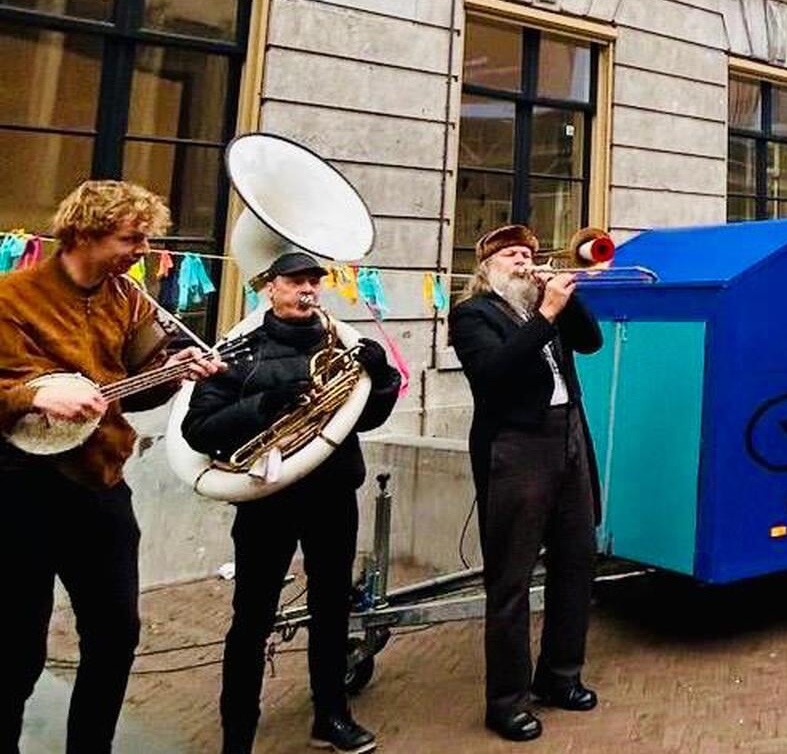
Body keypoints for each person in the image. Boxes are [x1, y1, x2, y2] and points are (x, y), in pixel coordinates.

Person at [0, 181, 222, 754]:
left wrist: (174, 369)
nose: (142, 249)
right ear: (84, 235)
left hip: (99, 485)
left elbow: (134, 392)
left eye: (146, 237)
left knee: (116, 634)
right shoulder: (12, 296)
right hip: (19, 489)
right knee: (15, 647)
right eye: (131, 237)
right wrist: (32, 398)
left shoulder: (129, 298)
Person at [183, 252, 402, 754]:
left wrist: (381, 377)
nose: (307, 290)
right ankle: (237, 730)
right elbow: (199, 430)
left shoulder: (340, 346)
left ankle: (332, 716)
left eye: (313, 281)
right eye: (295, 281)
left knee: (332, 609)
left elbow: (366, 420)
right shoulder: (239, 353)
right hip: (266, 500)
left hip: (332, 494)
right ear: (270, 288)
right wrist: (264, 404)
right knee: (252, 617)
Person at [450, 225, 606, 742]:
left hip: (568, 439)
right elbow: (496, 372)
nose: (524, 263)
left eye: (529, 255)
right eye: (513, 256)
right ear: (488, 266)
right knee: (512, 579)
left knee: (576, 563)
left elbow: (591, 342)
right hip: (516, 448)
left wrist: (565, 296)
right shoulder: (474, 315)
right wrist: (546, 314)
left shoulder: (547, 307)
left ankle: (561, 677)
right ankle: (507, 701)